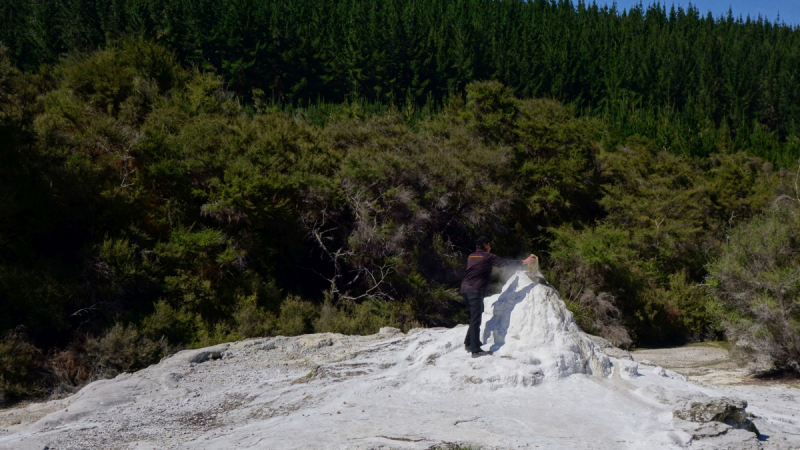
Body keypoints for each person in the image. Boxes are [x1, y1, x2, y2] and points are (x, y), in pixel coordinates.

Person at [460, 236, 535, 358]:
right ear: (485, 245)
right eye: (489, 245)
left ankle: (469, 343)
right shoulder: (488, 257)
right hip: (475, 291)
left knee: (474, 317)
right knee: (476, 320)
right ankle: (475, 350)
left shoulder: (471, 256)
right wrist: (524, 262)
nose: (490, 247)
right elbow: (505, 263)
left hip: (464, 290)